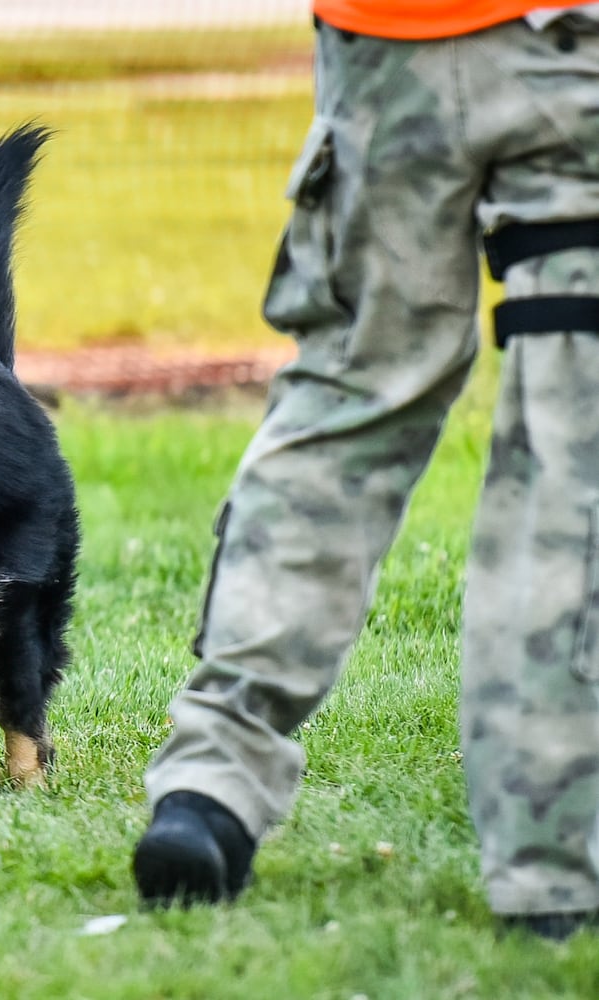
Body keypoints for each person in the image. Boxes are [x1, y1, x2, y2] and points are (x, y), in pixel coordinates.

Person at [132, 0, 599, 940]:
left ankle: (209, 783)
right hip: (568, 52)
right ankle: (549, 863)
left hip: (389, 42)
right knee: (570, 445)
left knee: (349, 397)